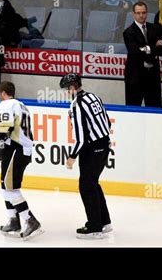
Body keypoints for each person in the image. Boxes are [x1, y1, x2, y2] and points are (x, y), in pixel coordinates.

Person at [0, 81, 43, 240]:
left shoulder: (6, 105)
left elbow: (4, 128)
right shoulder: (22, 106)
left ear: (3, 93)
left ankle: (30, 220)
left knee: (10, 189)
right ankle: (13, 220)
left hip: (15, 150)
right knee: (5, 186)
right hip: (19, 151)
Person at [60, 73, 112, 239]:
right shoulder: (94, 97)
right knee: (93, 183)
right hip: (104, 145)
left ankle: (94, 226)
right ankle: (104, 222)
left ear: (72, 87)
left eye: (67, 89)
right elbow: (107, 122)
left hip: (92, 149)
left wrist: (72, 156)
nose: (67, 92)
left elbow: (81, 137)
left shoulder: (77, 104)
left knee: (86, 186)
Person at [123, 1, 162, 107]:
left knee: (155, 110)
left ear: (147, 13)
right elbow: (135, 53)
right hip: (135, 78)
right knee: (133, 110)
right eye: (138, 13)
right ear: (133, 14)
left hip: (152, 77)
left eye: (143, 12)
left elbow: (161, 48)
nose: (141, 15)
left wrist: (145, 49)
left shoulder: (155, 28)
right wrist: (153, 48)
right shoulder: (128, 32)